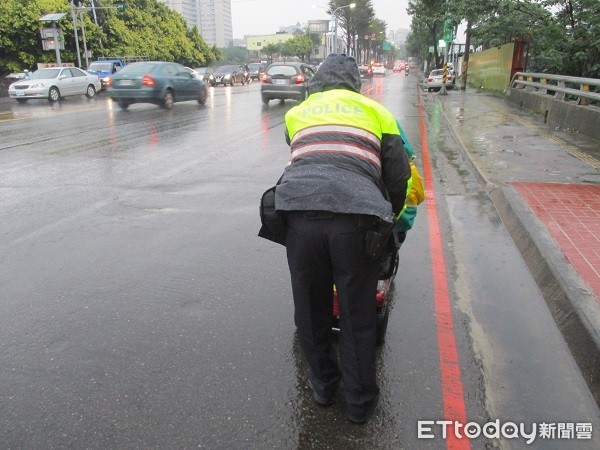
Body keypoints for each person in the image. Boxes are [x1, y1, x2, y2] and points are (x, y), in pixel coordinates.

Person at [274, 53, 412, 424]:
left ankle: (323, 387)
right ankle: (359, 402)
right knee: (356, 313)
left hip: (299, 216)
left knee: (310, 308)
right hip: (357, 220)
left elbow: (302, 153)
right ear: (356, 82)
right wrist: (389, 221)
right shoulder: (377, 112)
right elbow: (398, 177)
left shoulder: (298, 112)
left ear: (318, 81)